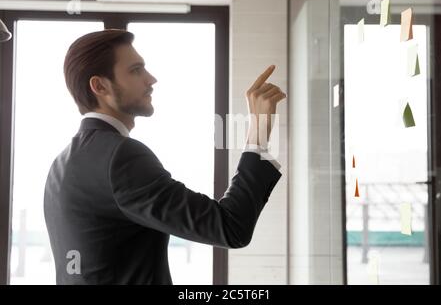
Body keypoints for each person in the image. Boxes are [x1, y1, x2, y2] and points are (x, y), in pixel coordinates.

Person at [44, 29, 286, 284]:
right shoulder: (120, 157)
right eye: (136, 70)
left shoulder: (61, 164)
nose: (151, 79)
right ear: (100, 86)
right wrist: (258, 131)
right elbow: (230, 227)